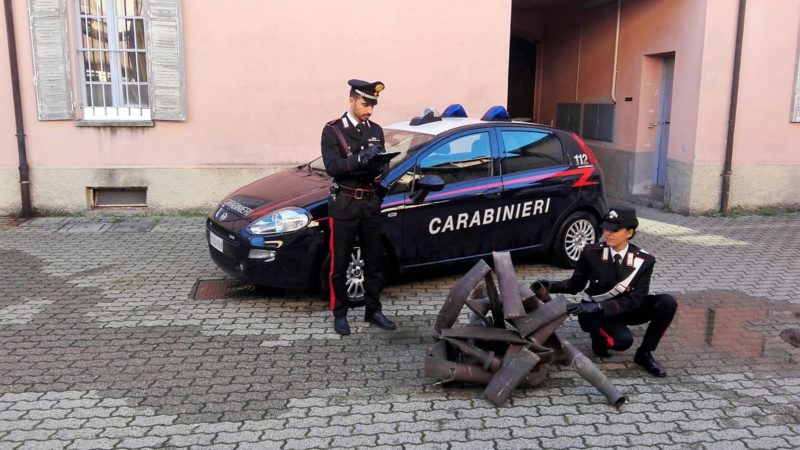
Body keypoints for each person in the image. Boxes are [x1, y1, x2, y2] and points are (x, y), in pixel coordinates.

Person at [535, 206, 677, 377]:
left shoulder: (644, 261)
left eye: (615, 229)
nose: (608, 233)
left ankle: (645, 353)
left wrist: (599, 307)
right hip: (594, 314)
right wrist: (551, 285)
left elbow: (636, 300)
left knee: (667, 302)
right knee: (622, 341)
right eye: (606, 228)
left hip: (620, 309)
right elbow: (575, 285)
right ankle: (598, 337)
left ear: (629, 233)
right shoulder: (591, 253)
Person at [320, 79, 397, 336]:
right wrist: (358, 159)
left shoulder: (375, 129)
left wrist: (380, 164)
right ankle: (340, 314)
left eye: (373, 106)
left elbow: (382, 167)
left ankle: (373, 310)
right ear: (351, 100)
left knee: (374, 261)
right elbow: (332, 167)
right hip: (344, 203)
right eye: (365, 104)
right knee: (339, 264)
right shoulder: (333, 131)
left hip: (370, 203)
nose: (370, 111)